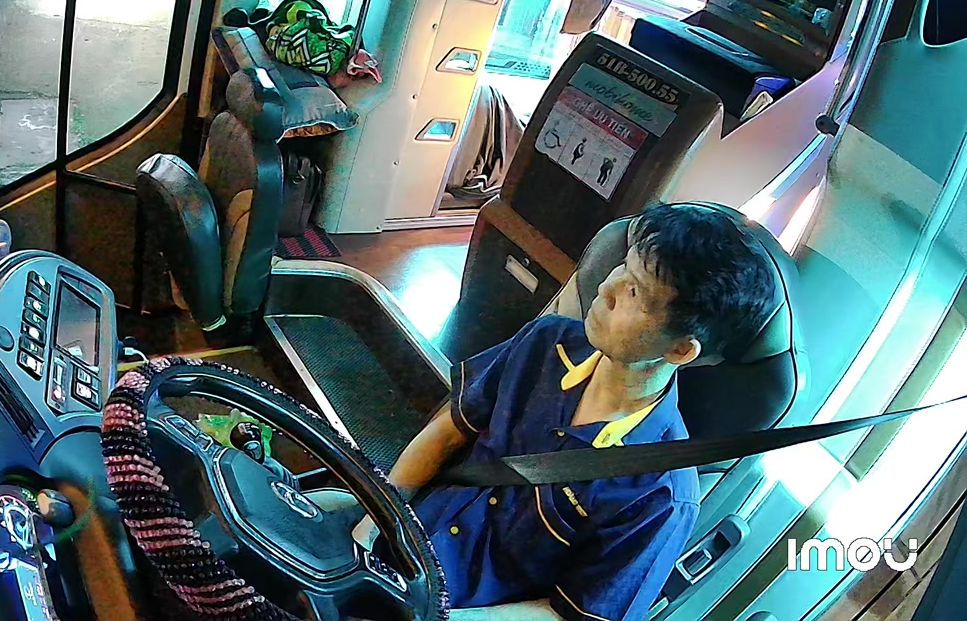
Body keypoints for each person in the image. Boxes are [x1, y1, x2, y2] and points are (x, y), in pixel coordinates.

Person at [323, 203, 780, 621]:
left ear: (680, 349)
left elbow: (569, 615)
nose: (607, 287)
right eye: (624, 266)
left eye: (635, 293)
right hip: (401, 536)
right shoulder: (545, 342)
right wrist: (371, 525)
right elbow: (448, 430)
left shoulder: (661, 495)